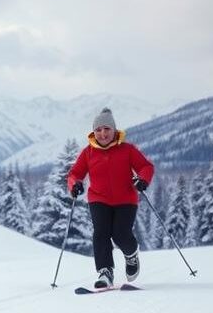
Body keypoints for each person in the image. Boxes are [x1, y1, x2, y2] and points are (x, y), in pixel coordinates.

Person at [66, 108, 155, 289]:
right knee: (101, 233)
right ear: (93, 132)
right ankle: (105, 272)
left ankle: (131, 255)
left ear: (114, 130)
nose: (102, 133)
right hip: (98, 199)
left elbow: (146, 166)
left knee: (121, 233)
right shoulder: (88, 153)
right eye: (98, 130)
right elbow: (75, 173)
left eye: (106, 129)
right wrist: (74, 184)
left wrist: (143, 180)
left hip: (126, 199)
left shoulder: (127, 150)